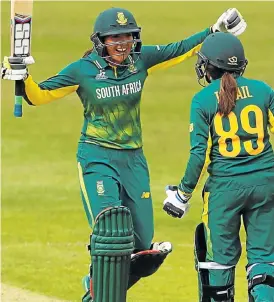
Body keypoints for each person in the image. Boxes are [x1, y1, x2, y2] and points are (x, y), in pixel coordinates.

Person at [2, 7, 247, 302]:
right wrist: (22, 76)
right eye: (114, 38)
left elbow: (179, 50)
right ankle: (100, 286)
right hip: (97, 158)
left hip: (133, 160)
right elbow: (39, 95)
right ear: (100, 41)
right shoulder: (84, 70)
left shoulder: (139, 62)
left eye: (127, 38)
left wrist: (214, 31)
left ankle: (96, 286)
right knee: (113, 231)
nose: (121, 45)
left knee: (142, 249)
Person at [163, 32, 274, 302]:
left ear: (209, 66)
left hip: (223, 192)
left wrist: (182, 195)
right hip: (266, 185)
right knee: (264, 262)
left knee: (218, 266)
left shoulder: (202, 100)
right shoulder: (263, 90)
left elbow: (199, 156)